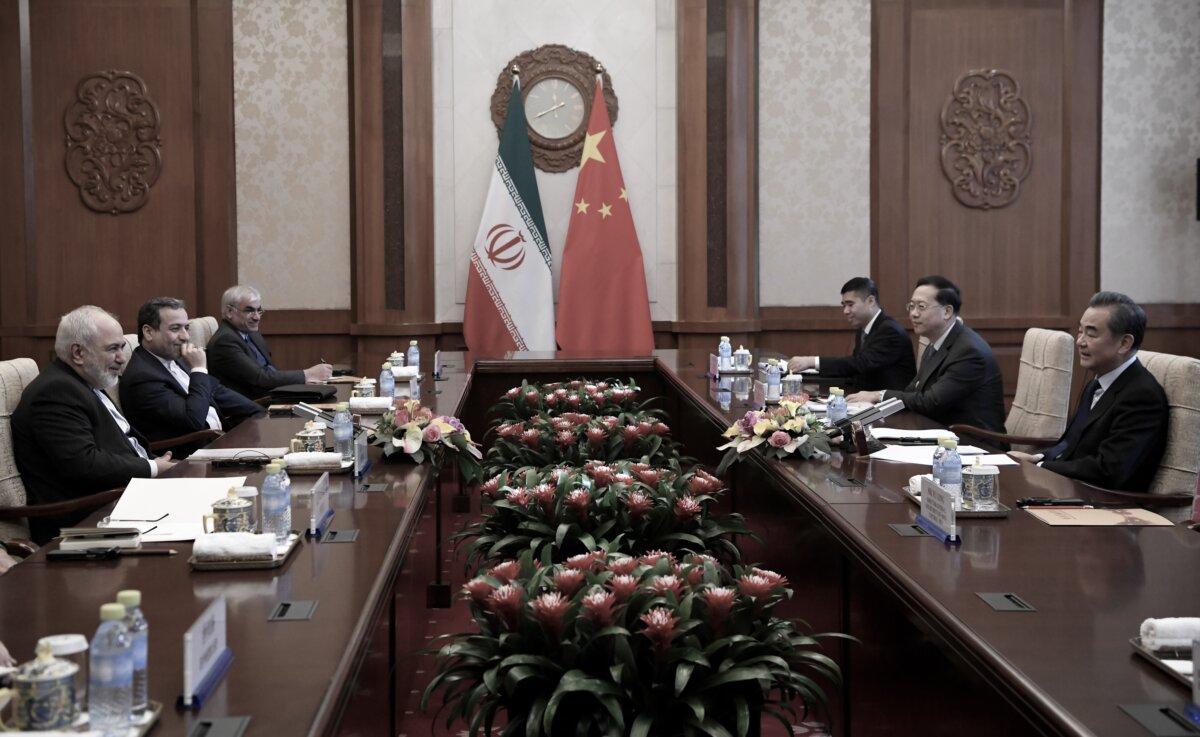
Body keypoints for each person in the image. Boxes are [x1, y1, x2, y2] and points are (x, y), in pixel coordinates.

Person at [12, 306, 176, 544]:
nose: (122, 357)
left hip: (126, 499)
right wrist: (153, 468)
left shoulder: (86, 381)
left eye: (122, 347)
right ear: (78, 353)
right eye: (113, 349)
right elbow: (84, 464)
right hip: (87, 521)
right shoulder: (55, 391)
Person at [1009, 292, 1167, 492]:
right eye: (1080, 331)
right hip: (1070, 490)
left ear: (1124, 343)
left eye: (1091, 334)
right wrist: (1037, 458)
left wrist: (1041, 467)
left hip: (1106, 506)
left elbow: (1108, 471)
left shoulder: (1142, 396)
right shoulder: (1097, 383)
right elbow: (1071, 445)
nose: (1080, 341)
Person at [847, 276, 1005, 433]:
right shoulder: (935, 343)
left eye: (921, 307)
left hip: (975, 444)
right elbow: (911, 392)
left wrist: (878, 395)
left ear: (947, 311)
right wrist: (864, 415)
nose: (913, 314)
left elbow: (931, 401)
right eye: (911, 306)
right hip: (939, 432)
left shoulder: (969, 352)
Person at [119, 297, 263, 454]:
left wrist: (260, 414)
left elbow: (217, 391)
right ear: (148, 332)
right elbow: (193, 420)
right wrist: (199, 369)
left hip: (222, 441)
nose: (185, 336)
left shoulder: (176, 358)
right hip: (191, 456)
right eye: (175, 329)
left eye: (186, 328)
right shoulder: (142, 377)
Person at [787, 276, 915, 391]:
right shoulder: (864, 327)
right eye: (844, 305)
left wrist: (811, 361)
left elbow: (860, 364)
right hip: (864, 399)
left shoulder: (890, 331)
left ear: (870, 301)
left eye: (850, 304)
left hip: (891, 408)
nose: (845, 311)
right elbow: (854, 371)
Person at [206, 285, 332, 400]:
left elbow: (270, 372)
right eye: (249, 311)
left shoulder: (251, 333)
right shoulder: (225, 341)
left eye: (259, 311)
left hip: (271, 395)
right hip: (251, 408)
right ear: (229, 312)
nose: (257, 317)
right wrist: (307, 375)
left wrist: (303, 380)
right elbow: (260, 378)